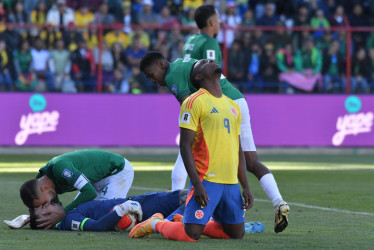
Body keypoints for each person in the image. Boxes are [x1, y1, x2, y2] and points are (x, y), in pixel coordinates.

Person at [182, 4, 289, 232]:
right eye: (218, 20)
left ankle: (186, 213)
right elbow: (215, 73)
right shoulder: (210, 42)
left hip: (215, 104)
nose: (220, 23)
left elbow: (200, 74)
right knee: (248, 161)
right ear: (212, 23)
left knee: (193, 154)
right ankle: (278, 202)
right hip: (222, 102)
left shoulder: (190, 42)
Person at [129, 59, 252, 241]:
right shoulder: (193, 102)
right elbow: (185, 145)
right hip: (207, 180)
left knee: (235, 235)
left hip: (231, 182)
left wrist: (246, 186)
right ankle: (155, 223)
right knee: (190, 235)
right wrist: (197, 183)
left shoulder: (233, 106)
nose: (209, 59)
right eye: (205, 62)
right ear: (199, 76)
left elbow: (238, 148)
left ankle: (183, 220)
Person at [19, 149, 134, 229]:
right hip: (94, 180)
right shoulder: (42, 183)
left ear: (44, 188)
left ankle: (138, 211)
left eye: (44, 203)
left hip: (117, 171)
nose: (47, 204)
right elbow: (56, 208)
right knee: (82, 211)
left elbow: (89, 192)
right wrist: (35, 218)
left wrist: (62, 213)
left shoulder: (60, 168)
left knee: (104, 214)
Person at [30, 190, 187, 231]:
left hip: (142, 202)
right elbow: (97, 226)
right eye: (44, 208)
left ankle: (172, 220)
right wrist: (124, 208)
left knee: (194, 200)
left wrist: (27, 218)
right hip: (144, 207)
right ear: (46, 218)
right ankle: (167, 222)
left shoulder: (67, 216)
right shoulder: (70, 220)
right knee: (192, 196)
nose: (48, 203)